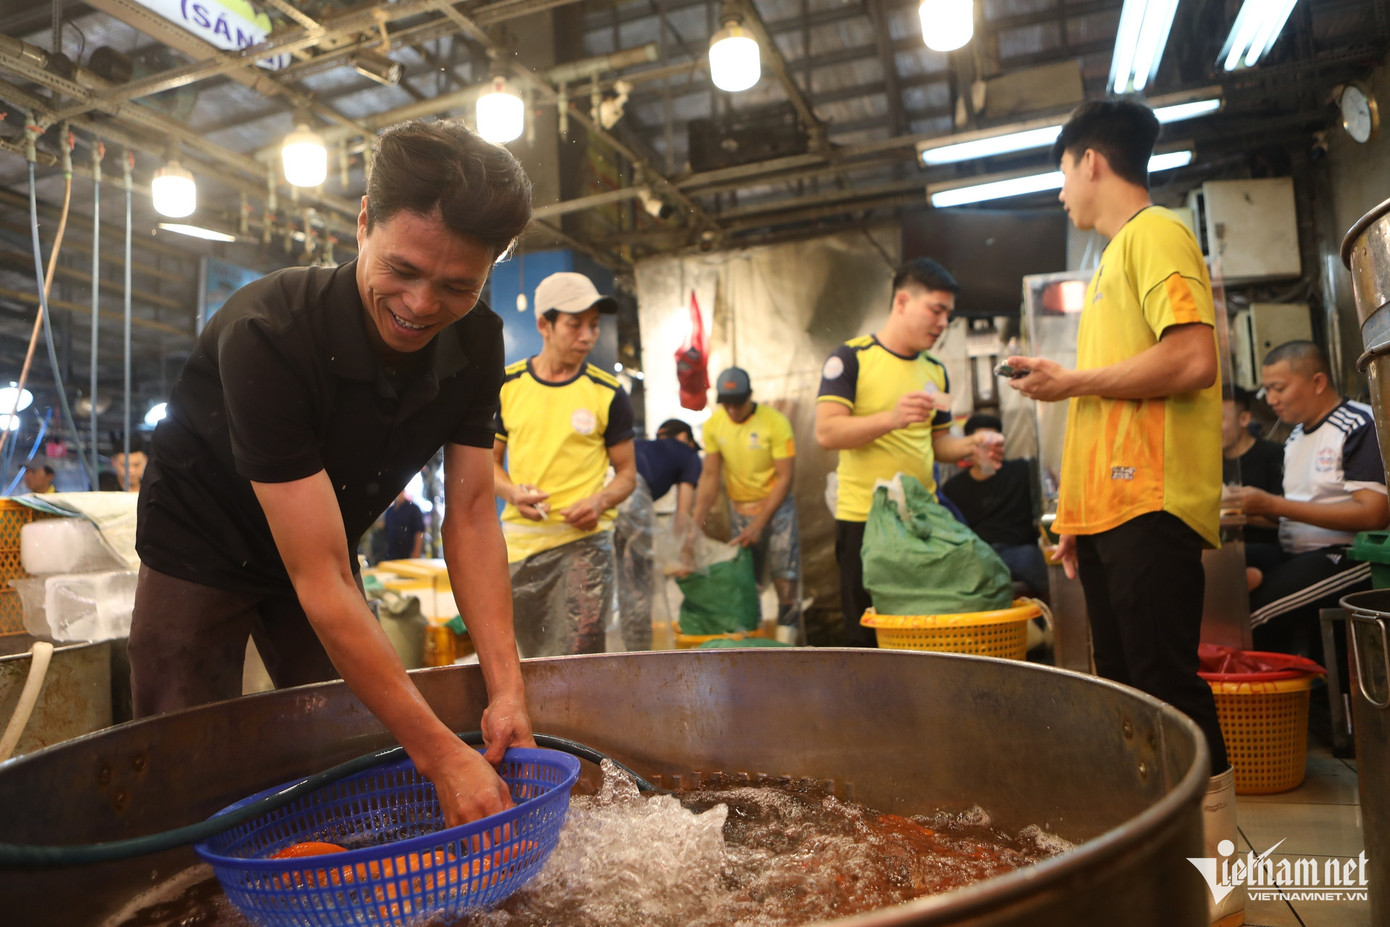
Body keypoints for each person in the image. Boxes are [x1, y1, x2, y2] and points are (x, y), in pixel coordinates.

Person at [127, 119, 536, 828]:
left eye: (456, 285)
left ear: (489, 270)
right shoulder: (269, 331)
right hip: (202, 539)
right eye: (402, 270)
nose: (420, 305)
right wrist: (443, 754)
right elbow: (320, 576)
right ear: (362, 224)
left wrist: (507, 688)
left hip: (322, 529)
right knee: (180, 758)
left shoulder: (477, 342)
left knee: (354, 738)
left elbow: (470, 516)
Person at [1003, 99, 1235, 926]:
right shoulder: (1106, 266)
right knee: (1131, 696)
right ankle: (1162, 873)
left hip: (1151, 505)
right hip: (1107, 512)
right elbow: (1110, 407)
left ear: (1090, 161)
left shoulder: (1156, 234)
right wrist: (1074, 513)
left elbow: (1193, 357)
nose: (1061, 191)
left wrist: (1068, 382)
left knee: (1169, 688)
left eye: (1061, 172)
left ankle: (1223, 883)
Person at [815, 258, 999, 647]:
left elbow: (938, 444)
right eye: (936, 310)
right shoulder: (851, 359)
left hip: (920, 519)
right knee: (867, 634)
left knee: (925, 627)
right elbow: (827, 432)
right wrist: (892, 418)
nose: (943, 323)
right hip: (864, 519)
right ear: (901, 302)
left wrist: (971, 445)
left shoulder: (935, 370)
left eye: (948, 314)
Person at [492, 272, 636, 657]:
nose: (587, 336)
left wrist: (599, 503)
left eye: (593, 326)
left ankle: (580, 719)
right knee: (529, 657)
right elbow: (487, 465)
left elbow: (627, 475)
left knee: (579, 655)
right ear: (544, 324)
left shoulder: (607, 393)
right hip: (521, 544)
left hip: (583, 544)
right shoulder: (507, 386)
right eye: (575, 325)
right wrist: (511, 492)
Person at [1231, 341, 1388, 658]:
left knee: (1248, 624)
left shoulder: (1357, 424)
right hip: (1293, 552)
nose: (1272, 400)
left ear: (1317, 382)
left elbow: (1374, 513)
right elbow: (1293, 511)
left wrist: (1273, 504)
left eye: (1278, 388)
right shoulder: (1295, 437)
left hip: (1346, 556)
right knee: (1223, 583)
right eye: (1267, 391)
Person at [692, 368, 803, 644]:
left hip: (776, 510)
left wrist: (759, 524)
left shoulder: (775, 423)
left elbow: (785, 478)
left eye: (737, 402)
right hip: (740, 508)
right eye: (726, 403)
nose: (732, 409)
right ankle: (751, 645)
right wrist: (694, 526)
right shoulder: (715, 425)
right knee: (745, 582)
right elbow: (709, 476)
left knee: (785, 577)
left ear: (751, 396)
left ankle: (787, 649)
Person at [612, 418, 703, 650]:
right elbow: (683, 514)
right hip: (631, 496)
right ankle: (638, 649)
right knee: (638, 583)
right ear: (688, 440)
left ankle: (616, 645)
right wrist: (683, 552)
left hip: (603, 492)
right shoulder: (690, 455)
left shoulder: (644, 445)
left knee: (617, 576)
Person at [939, 413, 1046, 599]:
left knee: (1032, 559)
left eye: (994, 444)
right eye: (982, 444)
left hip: (1019, 550)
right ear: (969, 448)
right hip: (978, 553)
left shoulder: (1022, 472)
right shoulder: (954, 488)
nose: (989, 451)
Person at [1221, 385, 1284, 581]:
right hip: (1223, 547)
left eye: (1220, 419)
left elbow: (1285, 520)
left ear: (1244, 419)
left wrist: (1238, 513)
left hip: (1268, 549)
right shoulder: (1209, 462)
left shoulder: (1274, 455)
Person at [382, 489, 426, 560]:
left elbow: (419, 531)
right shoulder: (389, 511)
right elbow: (387, 531)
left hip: (408, 553)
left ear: (403, 492)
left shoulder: (413, 509)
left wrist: (416, 552)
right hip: (391, 554)